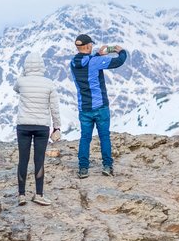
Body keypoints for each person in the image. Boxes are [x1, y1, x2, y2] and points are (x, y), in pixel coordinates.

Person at [69, 34, 128, 178]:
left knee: (85, 138)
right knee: (104, 137)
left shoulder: (72, 62)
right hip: (100, 106)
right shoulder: (95, 61)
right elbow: (118, 62)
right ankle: (107, 166)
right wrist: (121, 51)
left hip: (84, 108)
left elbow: (87, 62)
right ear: (88, 46)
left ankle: (83, 169)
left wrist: (97, 55)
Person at [13, 54, 61, 205]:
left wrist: (24, 74)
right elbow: (54, 107)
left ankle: (21, 195)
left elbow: (16, 89)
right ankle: (39, 194)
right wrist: (57, 127)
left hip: (23, 126)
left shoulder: (21, 81)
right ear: (42, 66)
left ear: (26, 66)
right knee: (39, 160)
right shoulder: (49, 83)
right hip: (42, 127)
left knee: (23, 159)